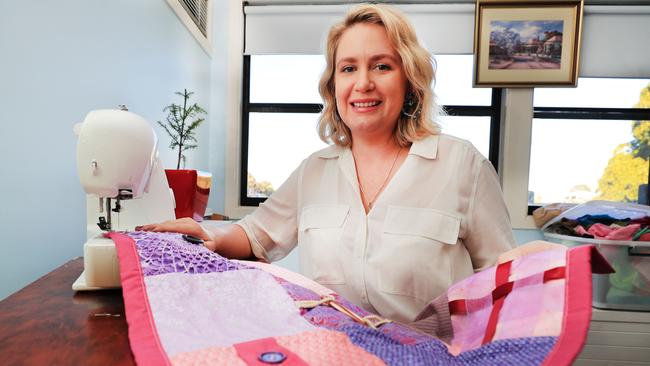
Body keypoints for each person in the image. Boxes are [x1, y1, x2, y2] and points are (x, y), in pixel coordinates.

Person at [138, 3, 515, 323]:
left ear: (410, 80)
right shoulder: (314, 170)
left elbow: (504, 284)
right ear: (333, 86)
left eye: (382, 66)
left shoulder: (461, 164)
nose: (363, 83)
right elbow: (256, 236)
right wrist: (209, 235)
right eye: (348, 68)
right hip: (330, 351)